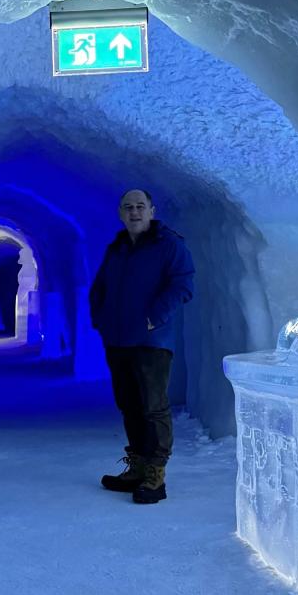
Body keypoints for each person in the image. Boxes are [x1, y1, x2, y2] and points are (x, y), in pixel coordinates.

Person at [88, 189, 195, 504]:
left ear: (151, 210)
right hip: (117, 338)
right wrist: (100, 318)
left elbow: (183, 284)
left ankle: (155, 475)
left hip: (152, 339)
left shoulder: (169, 245)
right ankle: (137, 467)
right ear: (121, 213)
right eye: (128, 207)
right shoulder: (118, 248)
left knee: (153, 406)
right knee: (129, 404)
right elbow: (101, 287)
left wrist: (155, 317)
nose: (134, 212)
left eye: (140, 206)